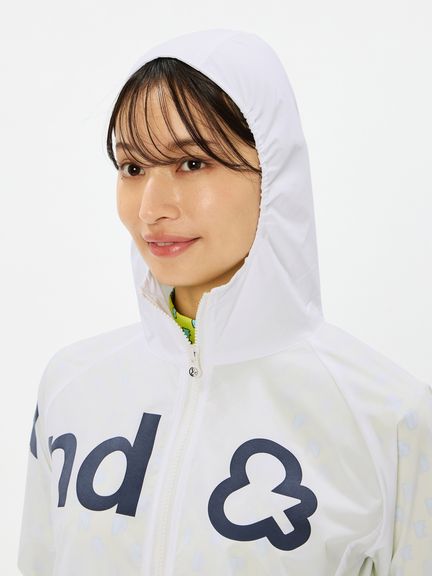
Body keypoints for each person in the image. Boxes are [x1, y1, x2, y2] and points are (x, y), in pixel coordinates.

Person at [18, 28, 432, 576]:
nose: (151, 208)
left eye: (192, 163)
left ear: (274, 172)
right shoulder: (71, 387)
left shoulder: (390, 419)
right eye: (133, 168)